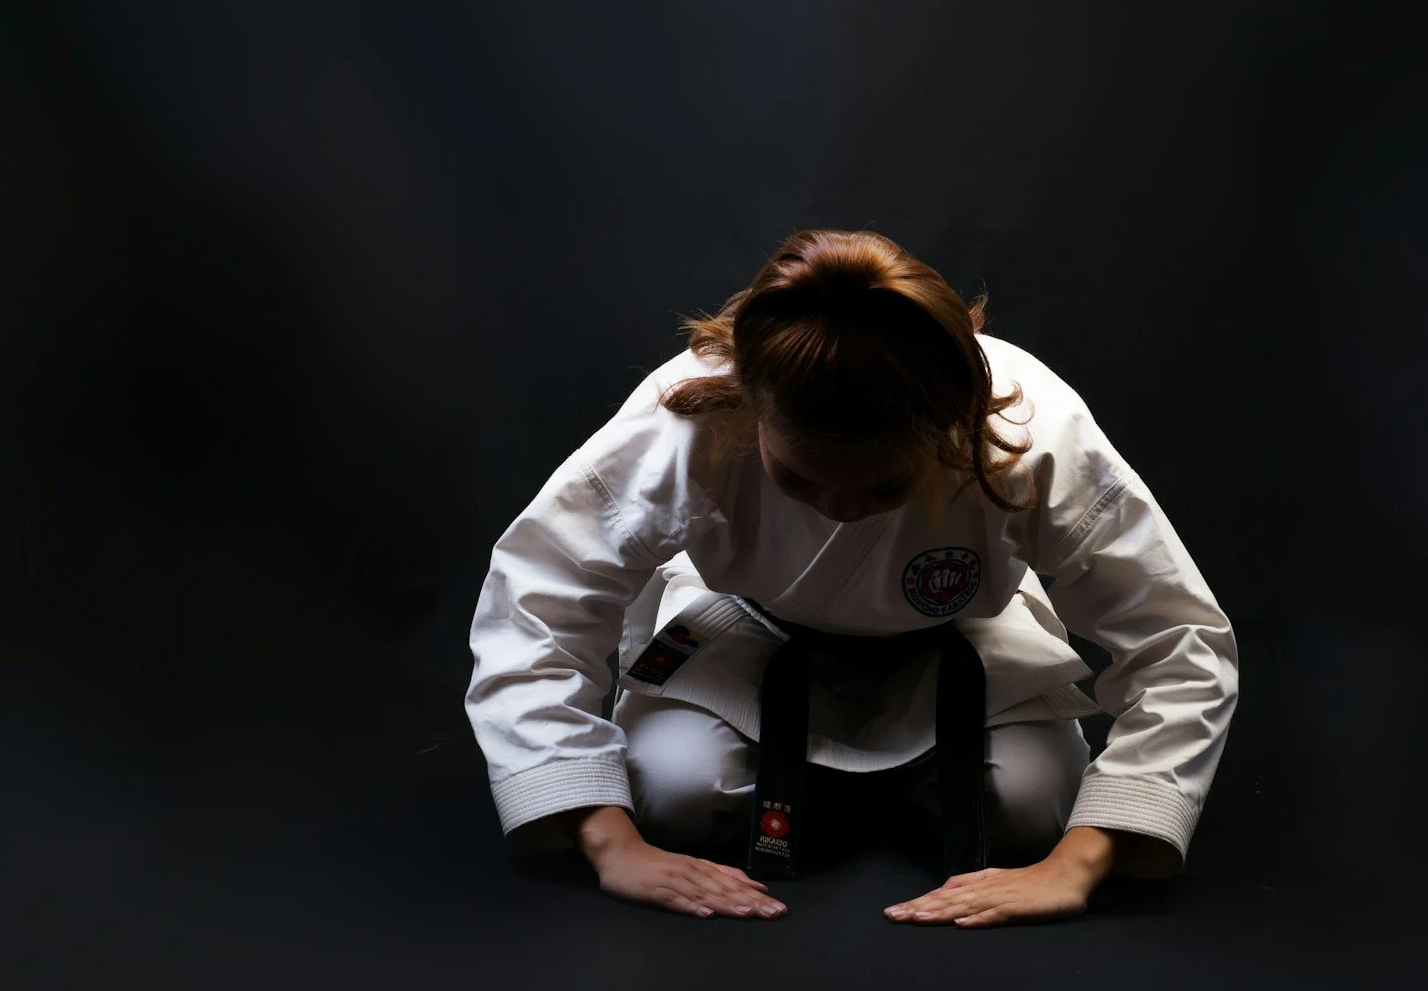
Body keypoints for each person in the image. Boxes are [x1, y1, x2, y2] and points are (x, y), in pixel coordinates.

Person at [464, 228, 1239, 928]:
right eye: (798, 482)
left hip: (963, 631)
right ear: (753, 410)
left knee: (1034, 811)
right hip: (748, 623)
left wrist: (1077, 866)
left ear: (950, 428)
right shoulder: (691, 419)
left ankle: (867, 786)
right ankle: (860, 788)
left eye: (883, 490)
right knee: (671, 793)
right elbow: (536, 603)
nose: (840, 512)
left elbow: (1180, 642)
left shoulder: (1028, 431)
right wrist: (611, 846)